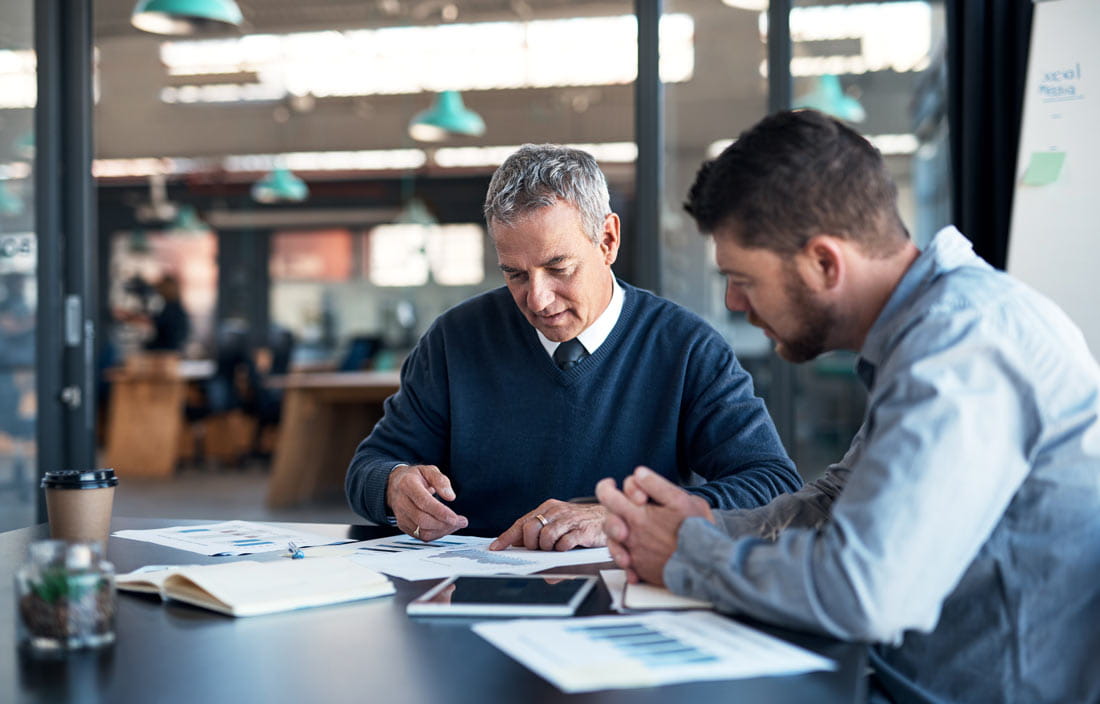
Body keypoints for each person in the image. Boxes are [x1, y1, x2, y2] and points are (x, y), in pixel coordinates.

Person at [596, 109, 1100, 703]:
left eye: (742, 278)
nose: (733, 302)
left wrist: (689, 554)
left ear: (825, 263)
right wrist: (710, 526)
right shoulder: (929, 329)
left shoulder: (963, 348)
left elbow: (868, 591)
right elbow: (839, 500)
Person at [346, 143, 801, 550]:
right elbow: (369, 466)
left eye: (558, 267)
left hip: (624, 598)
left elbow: (772, 485)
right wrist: (393, 485)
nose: (538, 300)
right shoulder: (455, 340)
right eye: (515, 275)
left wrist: (626, 518)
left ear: (607, 241)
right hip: (474, 593)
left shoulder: (685, 348)